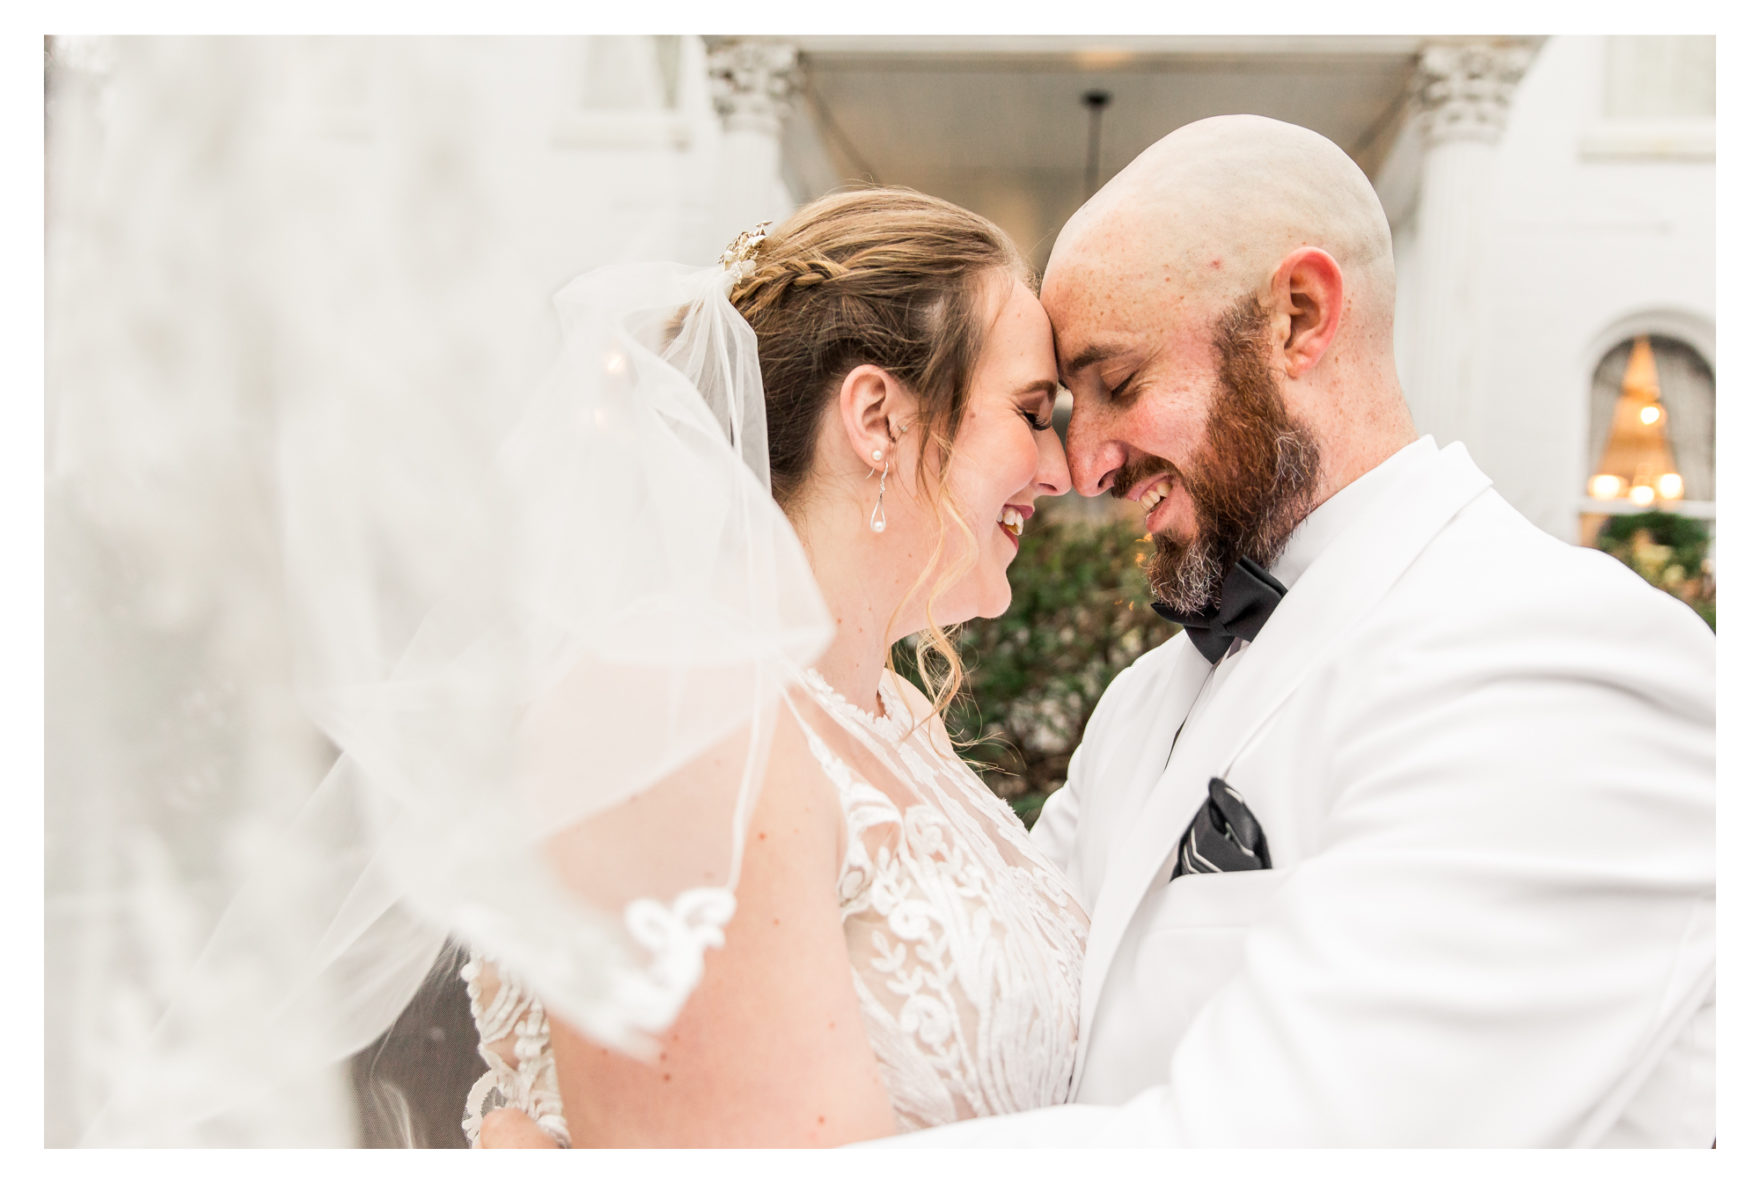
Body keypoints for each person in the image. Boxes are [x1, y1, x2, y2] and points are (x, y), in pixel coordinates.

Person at [872, 114, 1714, 1147]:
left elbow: (1278, 1145)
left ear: (1297, 319)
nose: (1082, 467)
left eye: (1119, 384)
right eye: (1058, 410)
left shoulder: (1565, 662)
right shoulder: (1140, 702)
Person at [461, 186, 1087, 1148]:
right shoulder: (671, 716)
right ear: (879, 417)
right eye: (1032, 412)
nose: (1063, 470)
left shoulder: (896, 715)